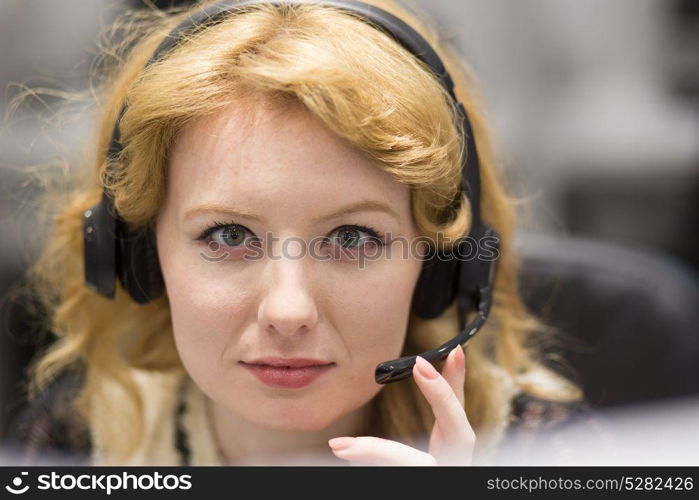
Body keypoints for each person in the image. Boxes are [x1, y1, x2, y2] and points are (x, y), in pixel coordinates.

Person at [3, 0, 585, 466]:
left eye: (354, 238)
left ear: (440, 264)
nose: (288, 309)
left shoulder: (545, 451)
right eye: (228, 236)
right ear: (137, 254)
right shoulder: (80, 439)